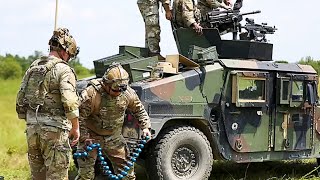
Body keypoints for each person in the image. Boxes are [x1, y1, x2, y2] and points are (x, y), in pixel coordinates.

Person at [16, 27, 80, 180]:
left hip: (32, 131)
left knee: (38, 177)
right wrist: (75, 128)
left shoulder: (34, 66)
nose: (69, 58)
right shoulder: (64, 70)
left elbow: (20, 100)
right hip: (55, 133)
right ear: (65, 51)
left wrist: (32, 121)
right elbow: (70, 101)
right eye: (70, 55)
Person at [75, 63, 151, 180]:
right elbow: (78, 119)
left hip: (114, 137)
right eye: (115, 90)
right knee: (86, 176)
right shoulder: (91, 94)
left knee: (127, 174)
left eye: (122, 89)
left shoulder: (127, 93)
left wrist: (146, 127)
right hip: (91, 138)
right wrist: (84, 138)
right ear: (106, 84)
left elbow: (139, 110)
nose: (118, 93)